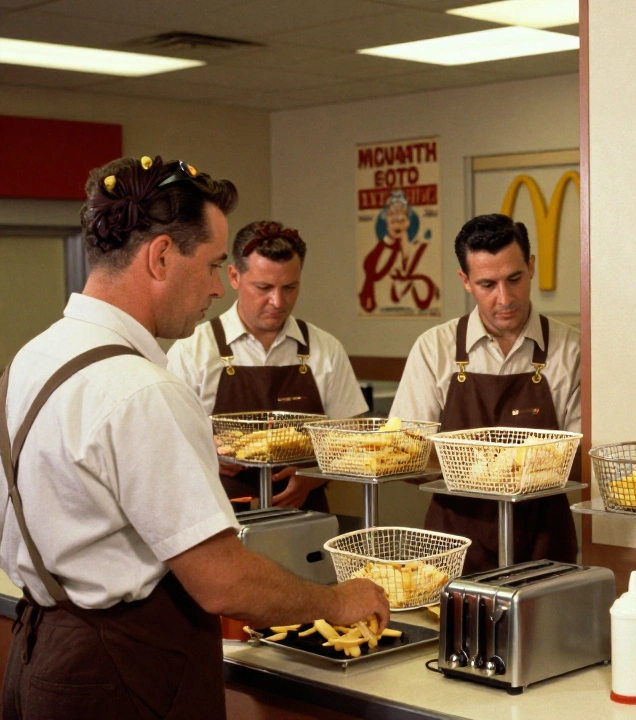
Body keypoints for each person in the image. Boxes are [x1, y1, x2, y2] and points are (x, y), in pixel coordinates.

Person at [0, 156, 389, 720]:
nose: (215, 288)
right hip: (123, 674)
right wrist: (337, 599)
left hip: (41, 654)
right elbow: (223, 583)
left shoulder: (31, 360)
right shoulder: (142, 389)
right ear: (160, 256)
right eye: (211, 265)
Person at [391, 213, 580, 572]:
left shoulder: (571, 350)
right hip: (454, 545)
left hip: (544, 544)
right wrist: (482, 469)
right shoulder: (434, 348)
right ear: (466, 281)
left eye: (514, 279)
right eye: (487, 284)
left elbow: (578, 457)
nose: (504, 298)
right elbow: (407, 452)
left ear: (531, 267)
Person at [168, 220, 368, 511]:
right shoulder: (193, 350)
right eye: (263, 287)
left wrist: (314, 476)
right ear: (234, 276)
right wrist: (206, 452)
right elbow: (166, 441)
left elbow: (353, 438)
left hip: (305, 515)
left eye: (290, 287)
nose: (278, 301)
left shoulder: (325, 349)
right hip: (219, 517)